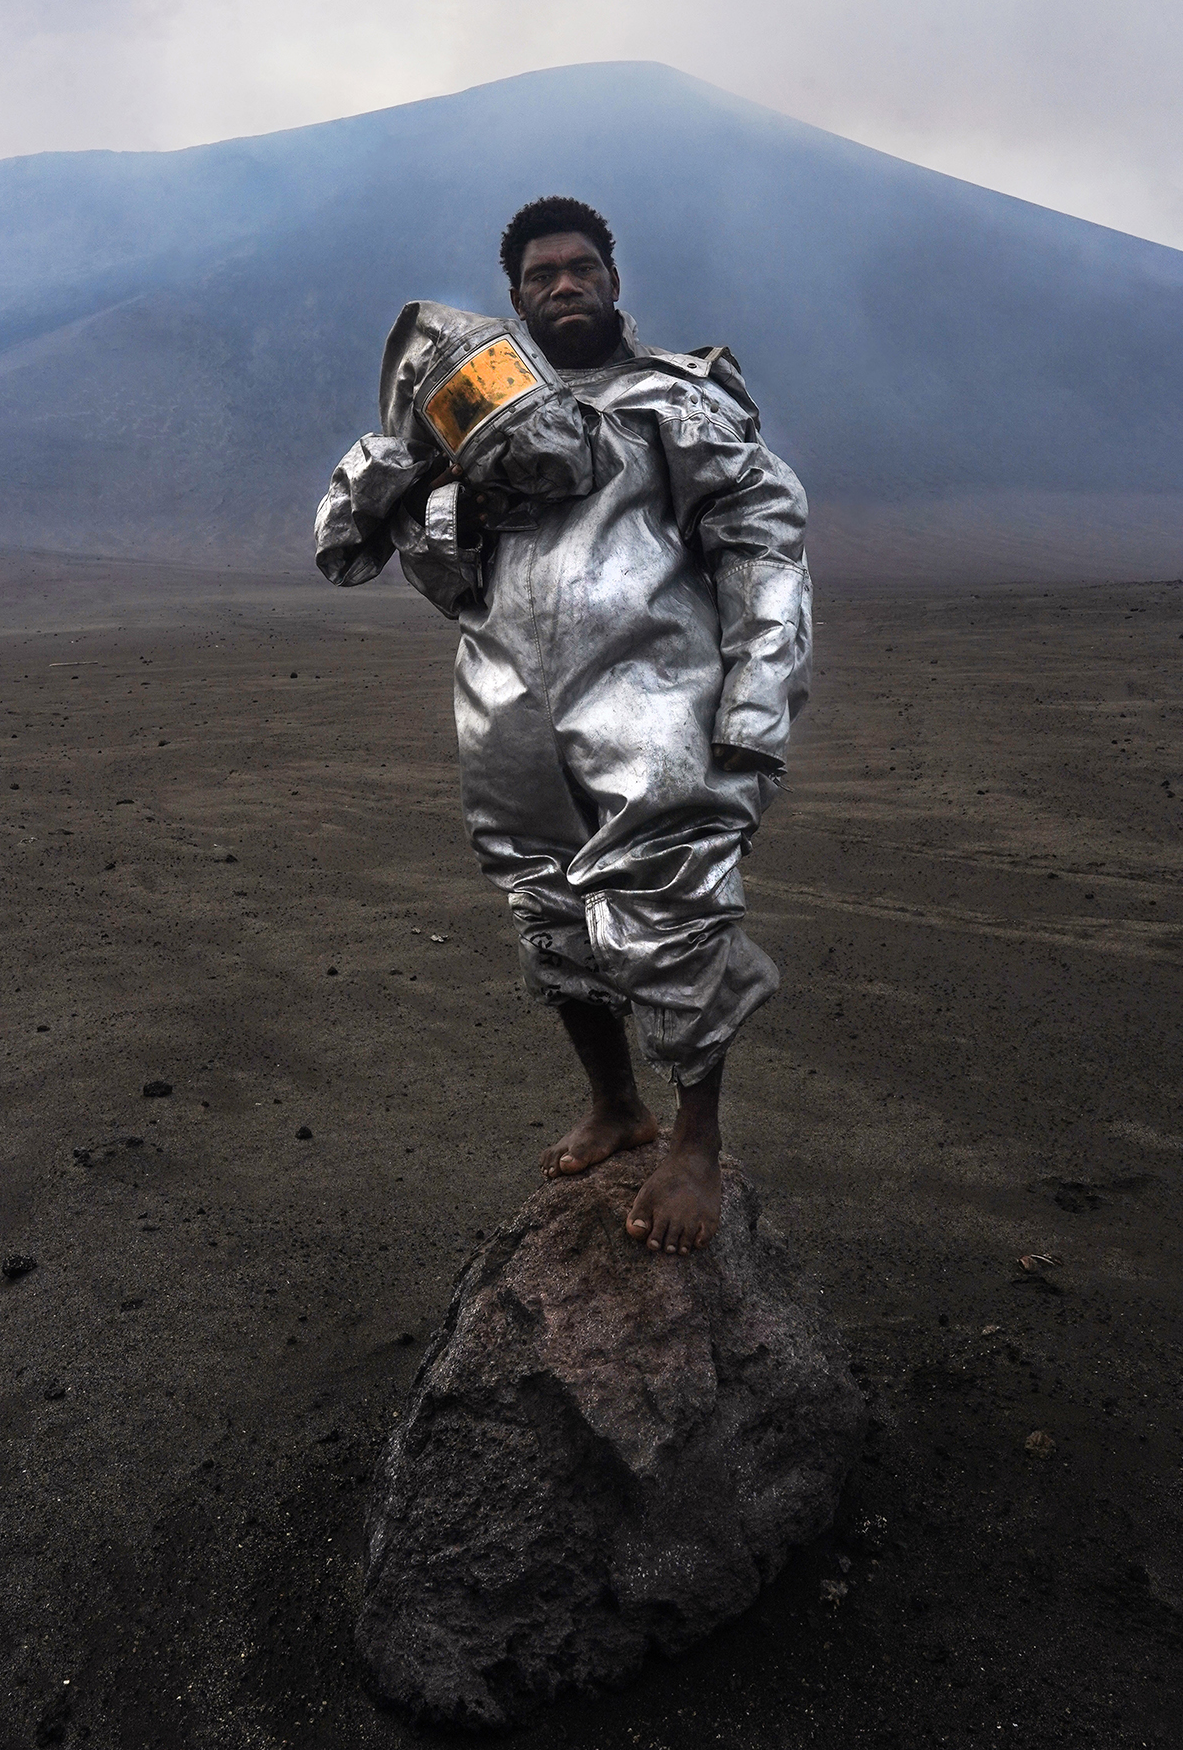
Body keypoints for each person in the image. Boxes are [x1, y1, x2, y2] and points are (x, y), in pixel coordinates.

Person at [314, 196, 812, 1254]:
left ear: (614, 280)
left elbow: (761, 546)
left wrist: (757, 700)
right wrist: (408, 466)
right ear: (513, 300)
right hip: (504, 697)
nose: (564, 286)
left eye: (581, 267)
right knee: (544, 902)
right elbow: (352, 540)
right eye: (541, 277)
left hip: (652, 695)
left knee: (668, 905)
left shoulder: (674, 402)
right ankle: (614, 1103)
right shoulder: (458, 411)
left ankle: (696, 1143)